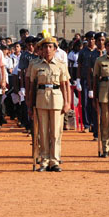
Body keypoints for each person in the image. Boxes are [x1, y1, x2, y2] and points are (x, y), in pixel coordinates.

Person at [29, 37, 70, 172]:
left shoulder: (61, 64)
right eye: (45, 47)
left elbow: (65, 85)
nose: (47, 50)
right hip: (41, 98)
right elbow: (31, 86)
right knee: (43, 132)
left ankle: (54, 160)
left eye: (50, 47)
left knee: (56, 132)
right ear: (41, 49)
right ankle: (44, 160)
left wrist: (67, 102)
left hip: (56, 98)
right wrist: (30, 105)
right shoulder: (36, 65)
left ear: (55, 49)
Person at [76, 31, 96, 133]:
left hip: (96, 81)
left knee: (95, 103)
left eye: (92, 39)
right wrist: (78, 80)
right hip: (84, 80)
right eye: (89, 39)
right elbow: (79, 66)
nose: (91, 41)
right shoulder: (83, 52)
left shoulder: (99, 52)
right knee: (85, 103)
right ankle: (87, 124)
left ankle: (95, 124)